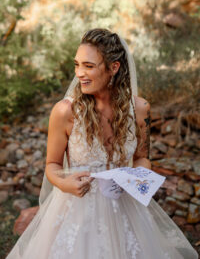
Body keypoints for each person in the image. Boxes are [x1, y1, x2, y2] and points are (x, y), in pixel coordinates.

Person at [6, 28, 198, 259]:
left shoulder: (140, 109)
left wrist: (138, 177)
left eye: (88, 66)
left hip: (125, 208)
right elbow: (52, 165)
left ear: (113, 68)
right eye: (77, 64)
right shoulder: (65, 111)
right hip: (75, 211)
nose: (79, 73)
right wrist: (65, 184)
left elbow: (142, 157)